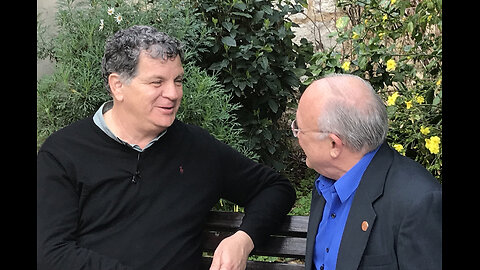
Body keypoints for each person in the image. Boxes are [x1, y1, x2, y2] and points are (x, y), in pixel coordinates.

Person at [37, 25, 296, 270]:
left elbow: (275, 189)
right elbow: (50, 252)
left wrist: (243, 239)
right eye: (157, 82)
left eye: (178, 80)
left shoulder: (196, 148)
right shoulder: (64, 152)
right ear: (118, 86)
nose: (173, 94)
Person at [292, 74, 441, 270]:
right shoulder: (326, 183)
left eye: (299, 129)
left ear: (334, 144)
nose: (297, 137)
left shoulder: (418, 203)